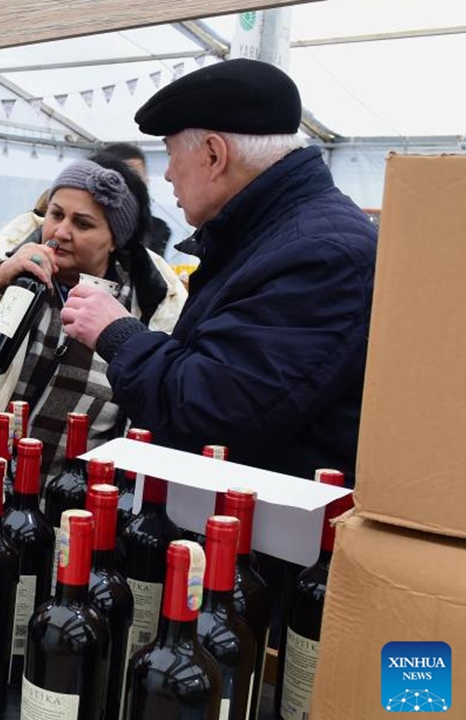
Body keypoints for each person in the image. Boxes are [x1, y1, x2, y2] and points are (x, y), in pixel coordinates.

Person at [61, 59, 377, 484]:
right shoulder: (271, 234)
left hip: (271, 532)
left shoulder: (320, 254)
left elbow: (213, 413)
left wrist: (119, 333)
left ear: (213, 154)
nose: (168, 174)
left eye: (171, 155)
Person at [0, 159, 187, 474]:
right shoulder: (10, 264)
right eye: (57, 214)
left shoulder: (148, 305)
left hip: (75, 506)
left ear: (116, 239)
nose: (62, 232)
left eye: (83, 223)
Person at [92, 142, 174, 258]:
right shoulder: (92, 226)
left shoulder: (158, 229)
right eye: (123, 177)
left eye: (137, 177)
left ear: (146, 180)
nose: (132, 185)